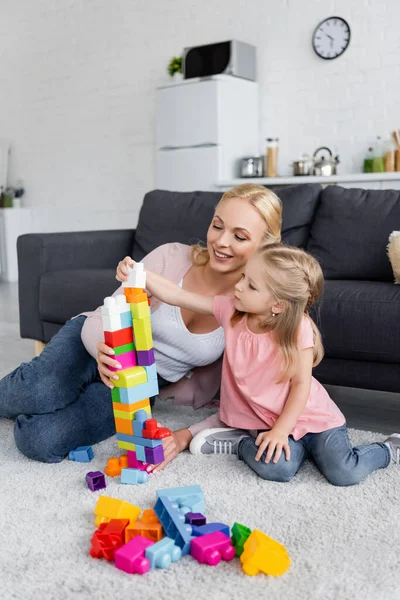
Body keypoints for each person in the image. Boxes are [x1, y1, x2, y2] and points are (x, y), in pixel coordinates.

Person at [0, 184, 282, 463]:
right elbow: (110, 312)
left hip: (140, 385)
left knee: (40, 440)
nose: (221, 242)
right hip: (97, 344)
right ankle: (43, 390)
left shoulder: (252, 308)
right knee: (40, 391)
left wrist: (187, 433)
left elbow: (245, 396)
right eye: (217, 226)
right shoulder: (171, 257)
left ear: (265, 247)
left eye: (240, 236)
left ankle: (57, 397)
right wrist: (102, 351)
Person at [139, 243, 400, 485]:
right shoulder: (230, 310)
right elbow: (178, 295)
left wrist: (281, 431)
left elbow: (301, 386)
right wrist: (140, 273)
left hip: (313, 418)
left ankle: (387, 449)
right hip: (265, 421)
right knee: (279, 470)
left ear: (277, 305)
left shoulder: (298, 329)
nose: (238, 287)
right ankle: (240, 442)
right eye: (243, 277)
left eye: (251, 286)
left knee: (344, 473)